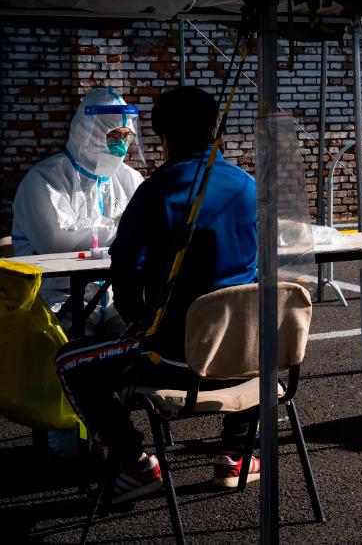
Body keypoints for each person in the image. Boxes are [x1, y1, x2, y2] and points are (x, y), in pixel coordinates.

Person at [55, 86, 260, 502]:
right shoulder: (248, 186)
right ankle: (235, 452)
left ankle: (133, 464)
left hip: (179, 360)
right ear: (215, 128)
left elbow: (127, 280)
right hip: (250, 356)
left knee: (69, 361)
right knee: (245, 319)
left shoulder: (158, 190)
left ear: (162, 135)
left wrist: (138, 322)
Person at [11, 88, 144, 330]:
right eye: (113, 135)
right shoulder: (46, 179)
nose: (121, 146)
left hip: (116, 300)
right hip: (59, 300)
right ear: (88, 132)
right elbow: (58, 241)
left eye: (126, 136)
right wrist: (124, 226)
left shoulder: (130, 179)